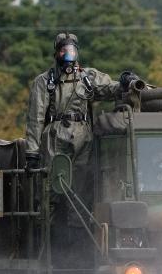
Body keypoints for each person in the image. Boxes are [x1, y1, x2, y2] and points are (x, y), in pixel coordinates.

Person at [24, 32, 120, 174]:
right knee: (54, 180)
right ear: (56, 53)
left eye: (72, 51)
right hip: (55, 138)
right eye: (63, 51)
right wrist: (32, 152)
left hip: (83, 138)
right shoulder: (44, 81)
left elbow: (109, 88)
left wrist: (126, 83)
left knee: (84, 181)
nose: (68, 55)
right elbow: (35, 119)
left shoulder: (87, 77)